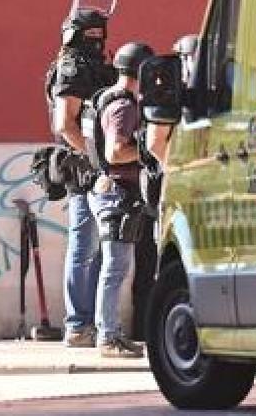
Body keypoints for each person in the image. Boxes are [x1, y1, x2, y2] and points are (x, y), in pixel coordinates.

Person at [47, 0, 119, 348]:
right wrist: (98, 162)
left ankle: (87, 324)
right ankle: (78, 325)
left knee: (94, 247)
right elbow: (65, 123)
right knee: (84, 246)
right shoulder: (73, 66)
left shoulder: (89, 63)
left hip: (95, 165)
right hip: (84, 168)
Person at [83, 41, 154, 358]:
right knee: (114, 267)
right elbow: (115, 151)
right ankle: (108, 337)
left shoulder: (109, 98)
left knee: (116, 266)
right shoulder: (124, 106)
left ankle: (110, 334)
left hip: (111, 191)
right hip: (116, 194)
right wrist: (149, 153)